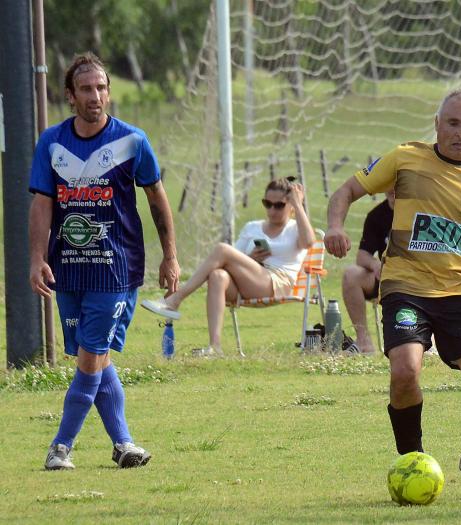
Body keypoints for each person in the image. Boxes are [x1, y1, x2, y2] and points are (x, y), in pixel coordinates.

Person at [325, 90, 461, 498]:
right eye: (453, 123)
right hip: (405, 288)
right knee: (405, 372)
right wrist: (335, 227)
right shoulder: (404, 158)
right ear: (436, 123)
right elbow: (345, 191)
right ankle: (411, 462)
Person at [28, 53, 180, 470]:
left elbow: (156, 198)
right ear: (70, 96)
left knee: (91, 355)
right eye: (86, 89)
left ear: (109, 92)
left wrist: (170, 256)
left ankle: (60, 447)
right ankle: (124, 445)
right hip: (68, 268)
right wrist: (37, 257)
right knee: (94, 358)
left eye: (101, 88)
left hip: (115, 268)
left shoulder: (132, 140)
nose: (95, 96)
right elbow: (43, 202)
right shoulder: (52, 143)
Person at [141, 178, 315, 355]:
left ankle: (176, 298)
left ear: (291, 206)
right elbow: (229, 260)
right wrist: (250, 258)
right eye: (267, 203)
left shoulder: (296, 228)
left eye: (279, 205)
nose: (272, 210)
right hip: (248, 283)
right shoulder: (252, 227)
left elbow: (309, 242)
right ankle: (215, 347)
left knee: (222, 249)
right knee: (217, 275)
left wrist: (298, 205)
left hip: (278, 283)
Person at [341, 190, 395, 354]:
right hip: (387, 278)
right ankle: (364, 342)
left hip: (419, 278)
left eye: (397, 182)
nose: (392, 188)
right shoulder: (377, 215)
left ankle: (430, 342)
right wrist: (375, 265)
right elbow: (362, 255)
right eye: (388, 183)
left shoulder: (419, 209)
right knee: (351, 275)